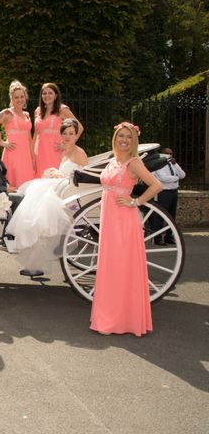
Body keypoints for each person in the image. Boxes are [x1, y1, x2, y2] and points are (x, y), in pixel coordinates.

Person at [90, 122, 162, 337]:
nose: (124, 140)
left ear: (134, 141)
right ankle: (109, 316)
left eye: (129, 137)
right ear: (115, 138)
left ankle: (123, 320)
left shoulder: (133, 162)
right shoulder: (113, 161)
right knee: (110, 266)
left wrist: (136, 202)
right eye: (121, 136)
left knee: (122, 267)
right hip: (110, 219)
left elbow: (156, 185)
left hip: (124, 220)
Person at [6, 118, 88, 275]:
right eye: (64, 133)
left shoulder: (79, 152)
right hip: (63, 186)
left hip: (69, 190)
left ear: (77, 135)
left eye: (71, 133)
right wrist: (55, 173)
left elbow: (81, 178)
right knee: (32, 193)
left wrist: (60, 176)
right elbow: (66, 173)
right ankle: (34, 259)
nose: (67, 136)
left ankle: (36, 258)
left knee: (36, 196)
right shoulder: (65, 151)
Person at [0, 80, 35, 188]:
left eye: (22, 96)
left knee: (27, 185)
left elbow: (29, 139)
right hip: (13, 154)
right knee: (14, 186)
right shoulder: (7, 113)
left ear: (25, 97)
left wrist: (33, 158)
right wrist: (2, 143)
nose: (19, 99)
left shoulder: (27, 115)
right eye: (16, 97)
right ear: (11, 99)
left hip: (26, 156)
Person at [33, 83, 83, 178]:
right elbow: (35, 134)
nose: (47, 95)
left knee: (54, 178)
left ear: (56, 95)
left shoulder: (62, 110)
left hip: (55, 150)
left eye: (50, 93)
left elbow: (79, 127)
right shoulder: (38, 111)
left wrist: (68, 144)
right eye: (44, 93)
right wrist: (32, 155)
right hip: (39, 152)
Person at [152, 147, 185, 245]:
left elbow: (183, 175)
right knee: (160, 216)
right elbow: (162, 178)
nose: (169, 156)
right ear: (162, 154)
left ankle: (168, 236)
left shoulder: (172, 164)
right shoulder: (157, 165)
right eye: (167, 154)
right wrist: (176, 178)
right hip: (163, 192)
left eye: (171, 154)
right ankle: (157, 238)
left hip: (173, 192)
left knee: (172, 216)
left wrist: (176, 165)